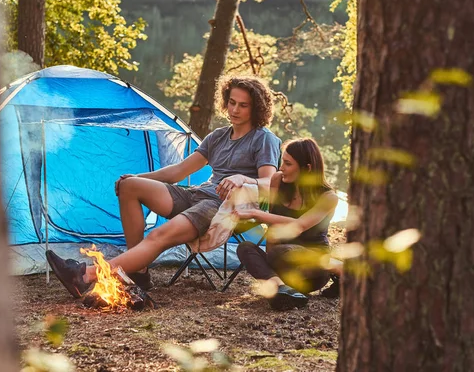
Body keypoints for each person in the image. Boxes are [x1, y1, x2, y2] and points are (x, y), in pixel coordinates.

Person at [46, 75, 282, 298]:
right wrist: (138, 176)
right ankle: (139, 271)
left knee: (159, 234)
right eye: (232, 102)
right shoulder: (218, 136)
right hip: (197, 194)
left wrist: (242, 178)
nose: (235, 110)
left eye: (243, 105)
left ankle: (87, 274)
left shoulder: (263, 139)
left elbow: (269, 183)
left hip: (221, 207)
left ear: (256, 109)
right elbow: (177, 172)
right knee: (129, 186)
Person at [234, 138, 338, 310]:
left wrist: (255, 213)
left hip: (311, 269)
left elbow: (299, 225)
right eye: (282, 161)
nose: (281, 168)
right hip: (280, 263)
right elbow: (273, 225)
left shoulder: (328, 197)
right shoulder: (277, 180)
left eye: (288, 164)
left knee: (281, 252)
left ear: (307, 168)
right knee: (244, 248)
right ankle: (282, 288)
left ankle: (329, 269)